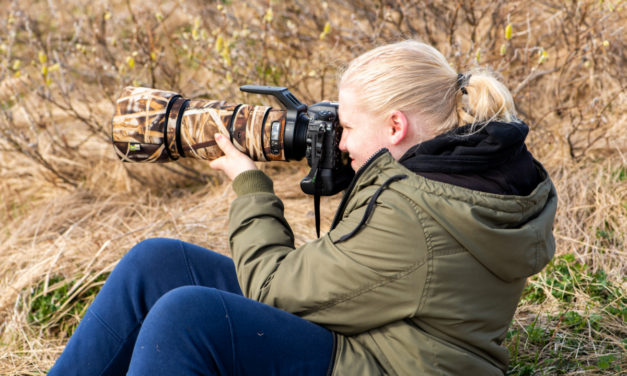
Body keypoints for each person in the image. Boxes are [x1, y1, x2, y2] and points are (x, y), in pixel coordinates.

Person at [49, 40, 557, 376]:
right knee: (157, 264)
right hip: (378, 332)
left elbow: (275, 291)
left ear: (396, 127)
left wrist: (250, 184)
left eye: (350, 128)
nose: (342, 141)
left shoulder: (417, 212)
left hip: (388, 363)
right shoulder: (462, 169)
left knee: (186, 318)